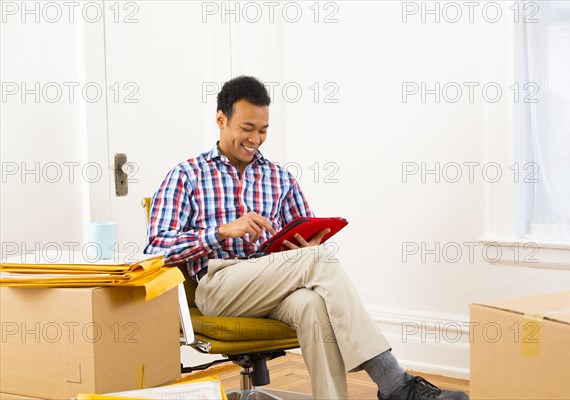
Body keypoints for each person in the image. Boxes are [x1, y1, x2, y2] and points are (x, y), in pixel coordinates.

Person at [145, 75, 469, 400]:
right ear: (221, 119)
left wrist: (306, 247)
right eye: (247, 128)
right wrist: (220, 232)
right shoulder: (187, 175)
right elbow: (155, 250)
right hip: (219, 288)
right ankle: (394, 383)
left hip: (273, 285)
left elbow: (307, 242)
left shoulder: (279, 178)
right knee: (318, 261)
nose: (256, 138)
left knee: (313, 303)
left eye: (263, 130)